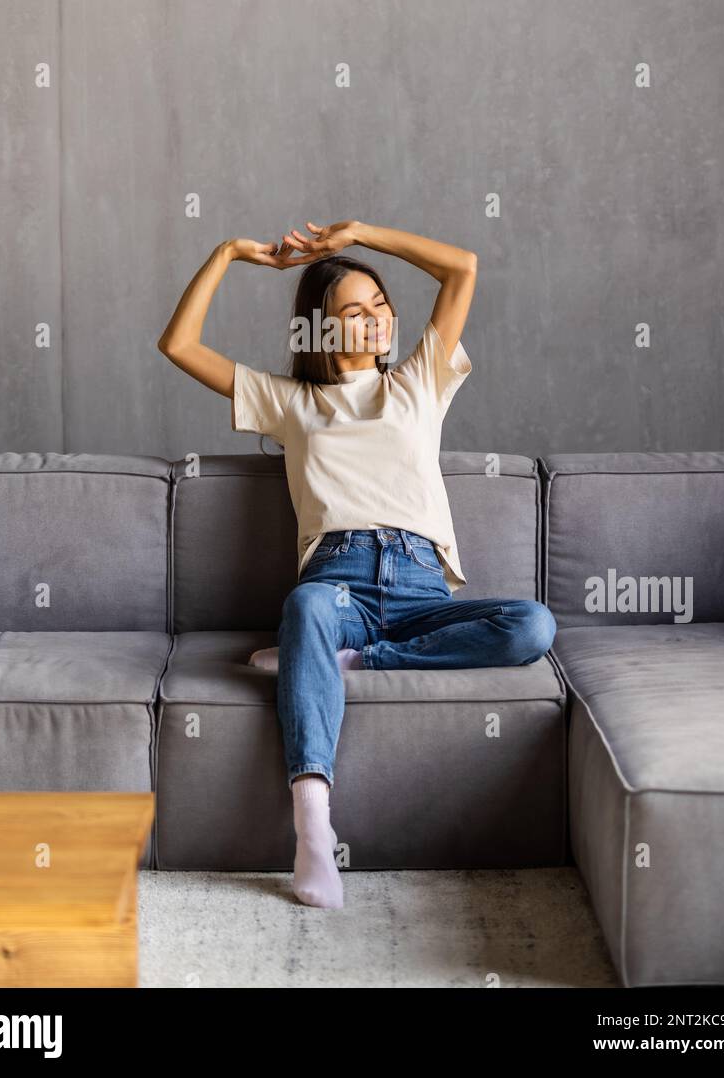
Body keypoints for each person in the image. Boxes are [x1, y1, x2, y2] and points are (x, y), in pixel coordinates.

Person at [157, 219, 556, 909]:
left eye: (379, 306)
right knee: (307, 606)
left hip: (422, 589)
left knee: (531, 627)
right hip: (338, 584)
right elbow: (179, 344)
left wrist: (363, 234)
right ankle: (312, 825)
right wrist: (226, 253)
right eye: (351, 311)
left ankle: (352, 660)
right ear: (318, 328)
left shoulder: (418, 383)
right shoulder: (291, 404)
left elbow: (461, 264)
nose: (373, 320)